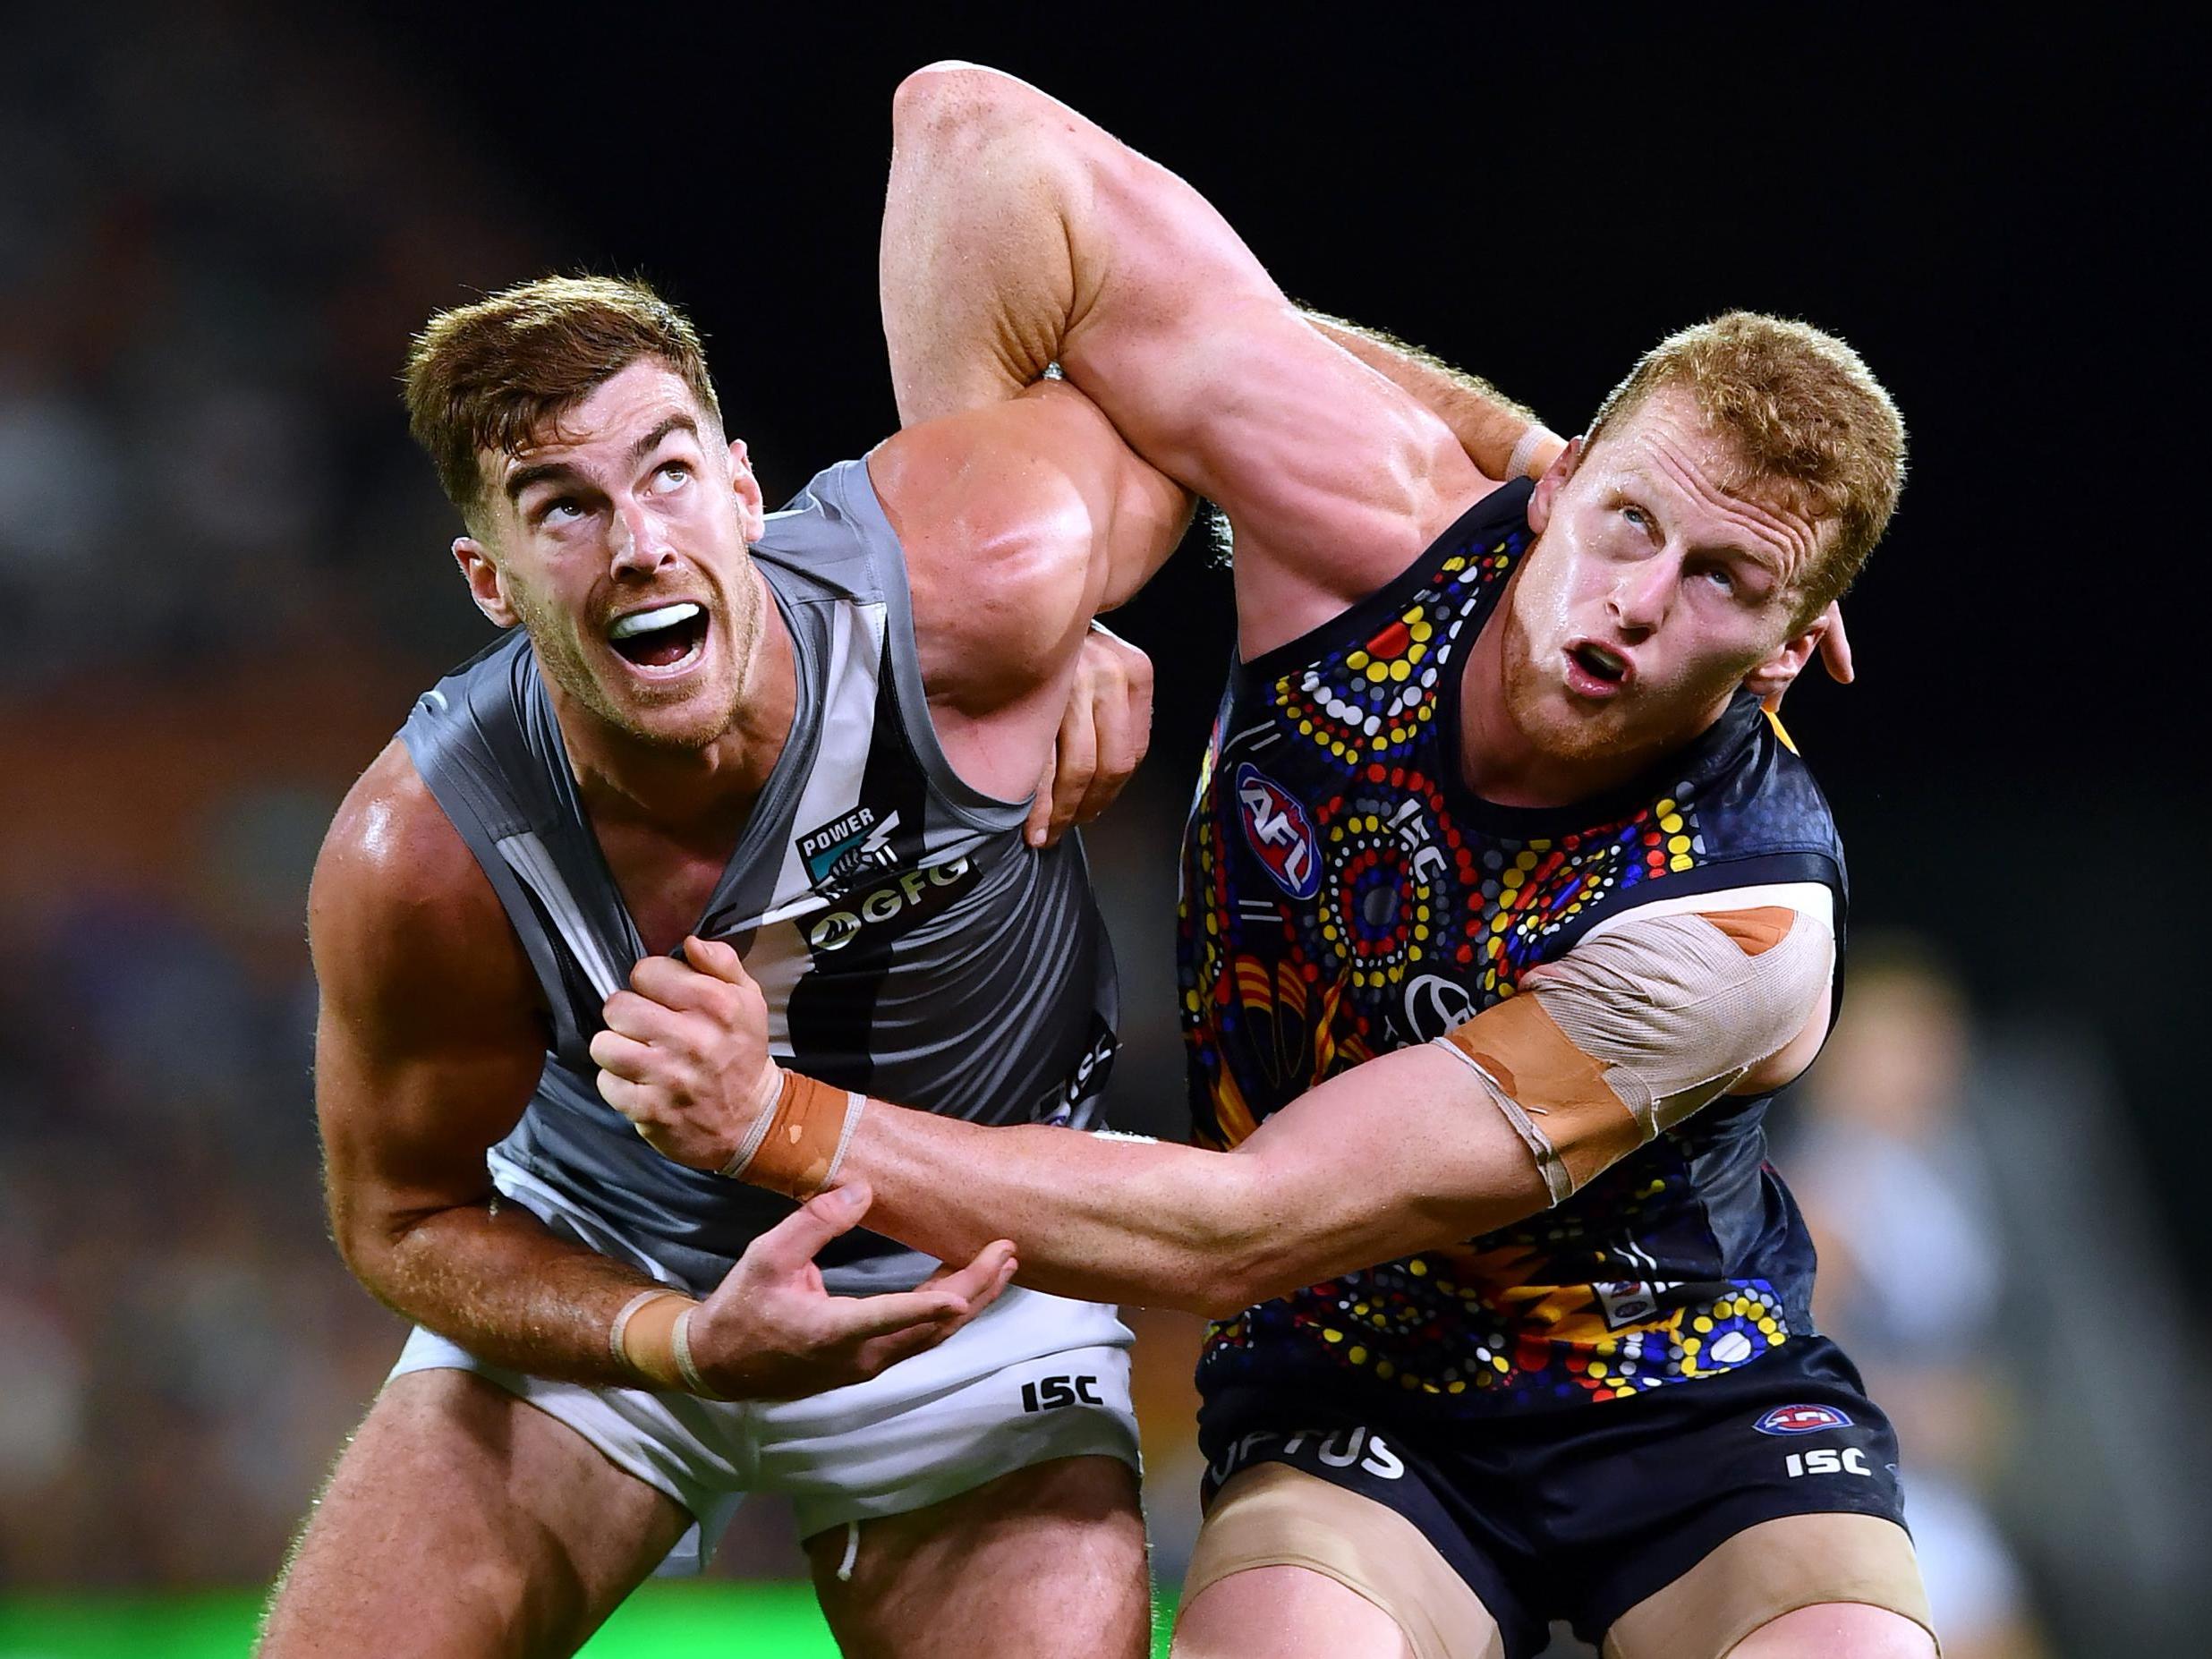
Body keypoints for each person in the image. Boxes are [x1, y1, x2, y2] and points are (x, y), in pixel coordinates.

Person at [594, 66, 1935, 1659]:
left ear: (1791, 655)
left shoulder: (1740, 919)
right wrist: (1025, 624)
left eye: (1724, 582)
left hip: (1689, 1402)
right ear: (1558, 480)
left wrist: (771, 1117)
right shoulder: (1375, 516)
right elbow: (969, 139)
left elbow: (1245, 1219)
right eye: (1632, 519)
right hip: (1352, 1394)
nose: (1640, 600)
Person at [258, 272, 1205, 1658]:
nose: (638, 543)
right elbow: (401, 1220)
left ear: (746, 491)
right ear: (490, 581)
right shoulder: (425, 850)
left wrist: (1076, 618)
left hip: (968, 1292)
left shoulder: (963, 592)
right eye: (563, 505)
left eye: (668, 475)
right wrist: (674, 1339)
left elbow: (1199, 375)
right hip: (614, 1278)